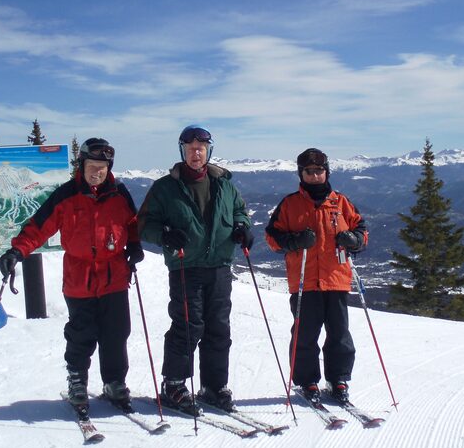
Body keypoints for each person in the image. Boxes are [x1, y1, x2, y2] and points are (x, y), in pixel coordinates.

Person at [0, 138, 144, 409]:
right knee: (81, 332)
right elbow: (39, 227)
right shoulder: (66, 195)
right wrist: (17, 252)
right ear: (82, 165)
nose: (96, 171)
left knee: (117, 332)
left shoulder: (119, 194)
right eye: (92, 165)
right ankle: (78, 381)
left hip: (114, 276)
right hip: (80, 278)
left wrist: (134, 245)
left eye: (102, 166)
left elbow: (132, 223)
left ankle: (114, 382)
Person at [137, 124, 252, 413]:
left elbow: (239, 211)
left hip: (220, 267)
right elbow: (143, 225)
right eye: (190, 149)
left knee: (218, 328)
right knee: (188, 326)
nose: (195, 153)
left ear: (208, 151)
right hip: (185, 266)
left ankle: (213, 386)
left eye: (200, 148)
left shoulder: (225, 185)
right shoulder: (165, 188)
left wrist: (242, 227)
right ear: (182, 152)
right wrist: (164, 234)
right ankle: (173, 384)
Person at [265, 148, 367, 403]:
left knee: (339, 333)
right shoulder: (290, 204)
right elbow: (272, 238)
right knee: (305, 334)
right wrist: (294, 241)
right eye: (308, 172)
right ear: (301, 174)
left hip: (336, 278)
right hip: (304, 281)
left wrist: (353, 239)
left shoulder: (341, 202)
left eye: (318, 171)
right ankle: (307, 381)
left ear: (326, 172)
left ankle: (338, 378)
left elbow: (362, 232)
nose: (314, 176)